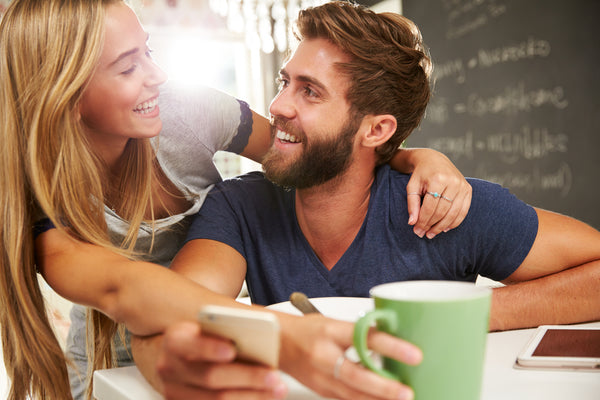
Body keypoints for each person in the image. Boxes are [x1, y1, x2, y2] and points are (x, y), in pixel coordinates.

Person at [0, 1, 472, 399]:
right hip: (110, 368)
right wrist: (279, 334)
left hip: (214, 340)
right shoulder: (38, 190)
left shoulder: (187, 112)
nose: (158, 75)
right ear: (63, 91)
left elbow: (312, 150)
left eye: (148, 51)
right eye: (128, 66)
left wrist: (412, 156)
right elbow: (119, 287)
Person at [131, 1, 600, 398]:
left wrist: (466, 312)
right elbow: (176, 309)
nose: (277, 106)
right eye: (284, 82)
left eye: (309, 91)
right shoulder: (238, 207)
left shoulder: (443, 205)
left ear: (375, 130)